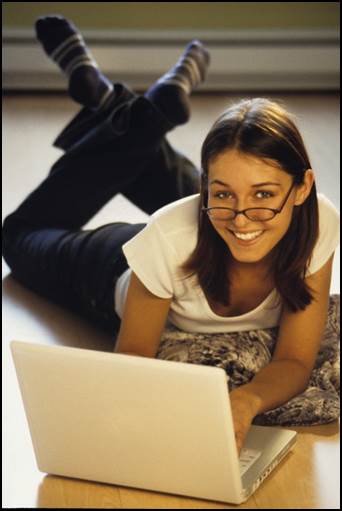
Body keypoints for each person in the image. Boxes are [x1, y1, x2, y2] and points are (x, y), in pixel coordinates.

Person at [2, 16, 340, 455]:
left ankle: (123, 108)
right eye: (219, 192)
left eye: (265, 193)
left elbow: (295, 360)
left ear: (304, 187)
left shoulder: (318, 224)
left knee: (230, 212)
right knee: (17, 234)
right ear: (205, 189)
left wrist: (245, 401)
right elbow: (135, 364)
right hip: (107, 268)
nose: (242, 217)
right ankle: (144, 111)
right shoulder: (169, 236)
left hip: (200, 225)